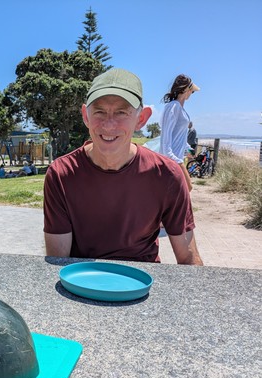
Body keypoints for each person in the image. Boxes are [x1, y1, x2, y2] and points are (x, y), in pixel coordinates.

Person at [43, 68, 203, 265]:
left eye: (121, 112)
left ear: (141, 119)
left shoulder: (168, 175)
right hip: (80, 282)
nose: (109, 125)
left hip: (144, 283)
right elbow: (58, 262)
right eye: (99, 111)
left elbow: (188, 258)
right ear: (86, 116)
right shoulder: (61, 174)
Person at [159, 74, 200, 192]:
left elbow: (180, 137)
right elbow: (165, 142)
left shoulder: (180, 109)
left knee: (180, 193)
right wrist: (178, 162)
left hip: (177, 159)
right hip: (172, 161)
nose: (192, 94)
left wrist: (190, 151)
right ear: (186, 90)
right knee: (188, 188)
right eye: (192, 92)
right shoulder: (173, 107)